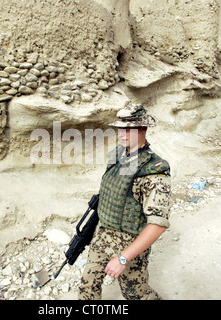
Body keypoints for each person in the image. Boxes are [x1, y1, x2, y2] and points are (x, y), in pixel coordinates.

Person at [78, 103, 171, 300]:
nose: (122, 133)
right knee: (87, 286)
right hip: (104, 234)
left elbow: (158, 224)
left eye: (129, 128)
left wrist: (123, 257)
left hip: (130, 240)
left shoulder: (154, 170)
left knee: (136, 295)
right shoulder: (118, 156)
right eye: (120, 128)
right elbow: (117, 192)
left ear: (143, 129)